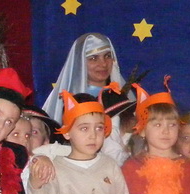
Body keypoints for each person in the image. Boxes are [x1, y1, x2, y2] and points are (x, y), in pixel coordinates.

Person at [42, 33, 129, 164]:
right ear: (80, 62)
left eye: (107, 56)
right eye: (93, 58)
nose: (103, 64)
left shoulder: (121, 98)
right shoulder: (65, 101)